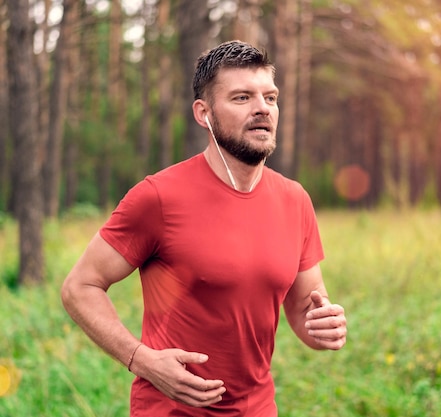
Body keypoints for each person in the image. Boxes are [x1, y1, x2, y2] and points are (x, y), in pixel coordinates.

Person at [61, 40, 347, 417]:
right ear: (204, 113)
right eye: (242, 98)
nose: (262, 108)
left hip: (258, 409)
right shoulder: (158, 197)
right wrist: (141, 359)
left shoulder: (295, 200)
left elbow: (304, 310)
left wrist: (324, 328)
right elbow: (79, 287)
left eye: (270, 97)